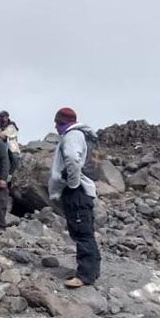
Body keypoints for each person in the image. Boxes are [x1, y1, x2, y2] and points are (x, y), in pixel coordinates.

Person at [48, 107, 101, 288]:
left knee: (81, 232)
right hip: (84, 191)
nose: (55, 126)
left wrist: (72, 183)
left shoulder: (72, 136)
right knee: (84, 230)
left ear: (62, 122)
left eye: (57, 122)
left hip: (76, 191)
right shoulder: (85, 136)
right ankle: (92, 270)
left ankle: (85, 275)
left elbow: (71, 158)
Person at [0, 110, 21, 180]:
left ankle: (11, 175)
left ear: (6, 117)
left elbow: (4, 135)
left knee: (15, 158)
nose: (0, 118)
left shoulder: (12, 126)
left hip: (11, 147)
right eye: (0, 117)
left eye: (2, 116)